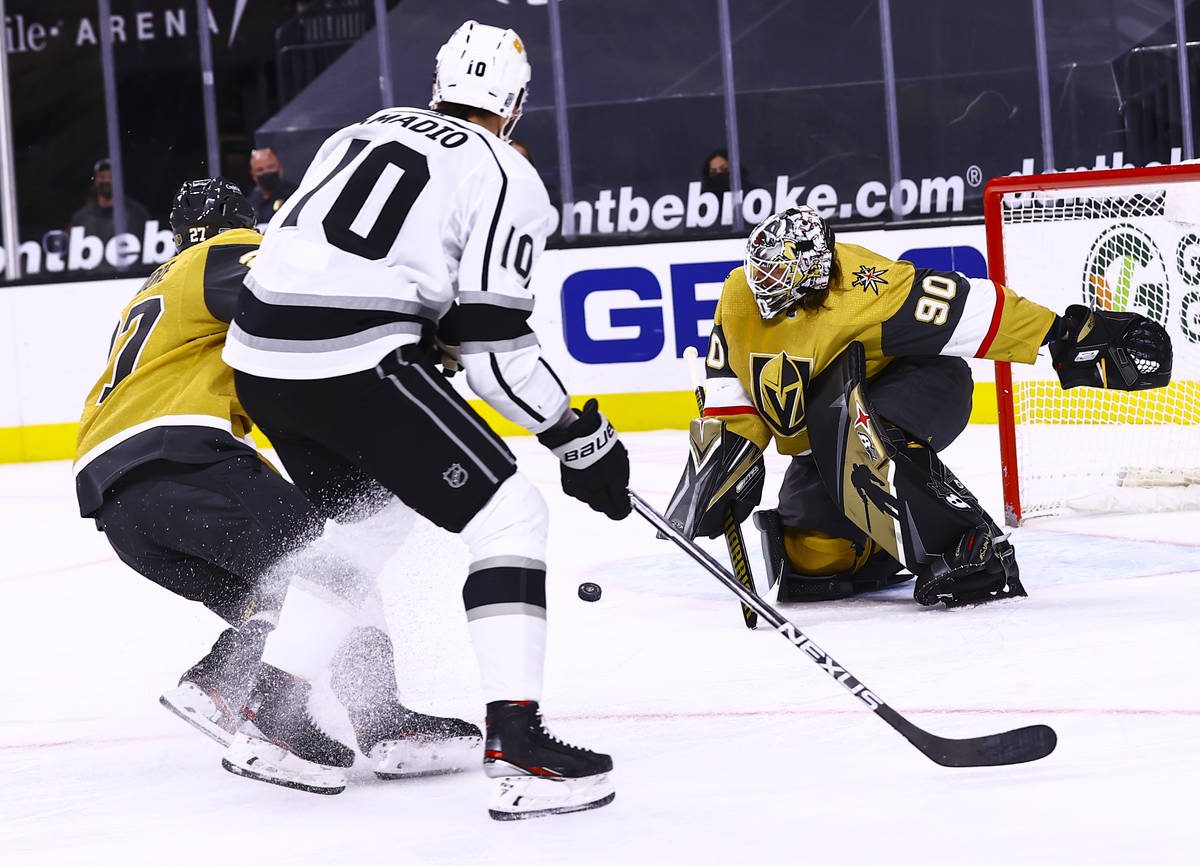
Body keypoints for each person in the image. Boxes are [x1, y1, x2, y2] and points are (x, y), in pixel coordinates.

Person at [221, 19, 629, 820]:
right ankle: (519, 745)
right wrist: (580, 439)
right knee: (511, 514)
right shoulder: (505, 171)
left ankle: (273, 716)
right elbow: (490, 346)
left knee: (366, 523)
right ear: (514, 102)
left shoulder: (360, 131)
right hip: (353, 358)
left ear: (440, 82)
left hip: (260, 359)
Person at [74, 178, 479, 786]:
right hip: (183, 461)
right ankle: (245, 690)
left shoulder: (156, 290)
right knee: (337, 564)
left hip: (120, 507)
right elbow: (293, 294)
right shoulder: (219, 253)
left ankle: (301, 701)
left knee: (294, 599)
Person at [667, 205, 1172, 608]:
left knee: (859, 434)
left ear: (816, 270)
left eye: (779, 273)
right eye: (762, 271)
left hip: (922, 385)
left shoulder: (868, 287)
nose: (765, 284)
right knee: (815, 556)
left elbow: (973, 307)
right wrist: (730, 455)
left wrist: (1064, 335)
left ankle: (971, 548)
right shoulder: (739, 293)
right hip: (831, 422)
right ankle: (879, 550)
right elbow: (730, 378)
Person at [70, 158, 152, 270]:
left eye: (111, 177)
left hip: (129, 279)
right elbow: (75, 262)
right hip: (91, 282)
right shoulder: (81, 218)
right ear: (95, 180)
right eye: (102, 177)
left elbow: (148, 254)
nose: (107, 181)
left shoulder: (137, 213)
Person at [246, 147, 298, 228]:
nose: (266, 172)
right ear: (253, 175)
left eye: (270, 167)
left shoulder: (295, 195)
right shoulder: (250, 202)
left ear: (280, 167)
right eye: (260, 170)